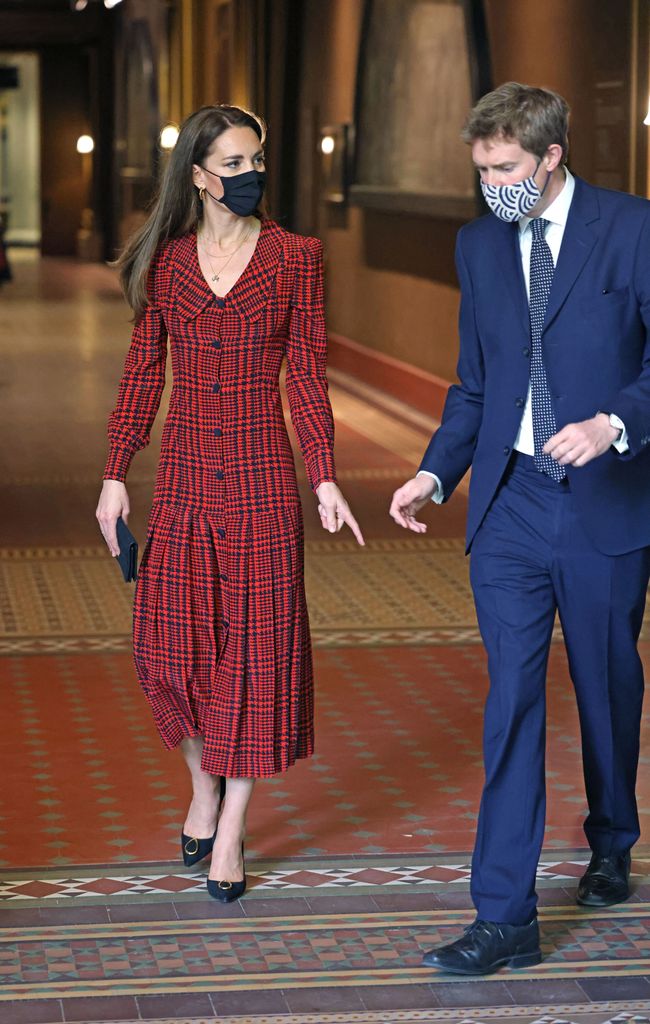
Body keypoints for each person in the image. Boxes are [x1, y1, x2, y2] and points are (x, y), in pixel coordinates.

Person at [390, 82, 650, 974]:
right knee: (512, 703)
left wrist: (614, 422)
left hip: (604, 501)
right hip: (509, 505)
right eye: (481, 171)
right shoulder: (478, 245)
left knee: (608, 684)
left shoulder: (631, 228)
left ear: (550, 156)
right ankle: (505, 917)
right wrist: (434, 472)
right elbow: (476, 382)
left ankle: (613, 834)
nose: (492, 186)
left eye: (505, 168)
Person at [97, 104, 364, 903]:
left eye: (258, 161)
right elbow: (142, 375)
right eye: (237, 163)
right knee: (168, 654)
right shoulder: (168, 265)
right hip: (181, 483)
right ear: (200, 174)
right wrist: (115, 473)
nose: (251, 176)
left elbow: (307, 378)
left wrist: (322, 476)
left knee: (254, 659)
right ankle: (203, 786)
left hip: (260, 487)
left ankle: (234, 826)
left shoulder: (295, 259)